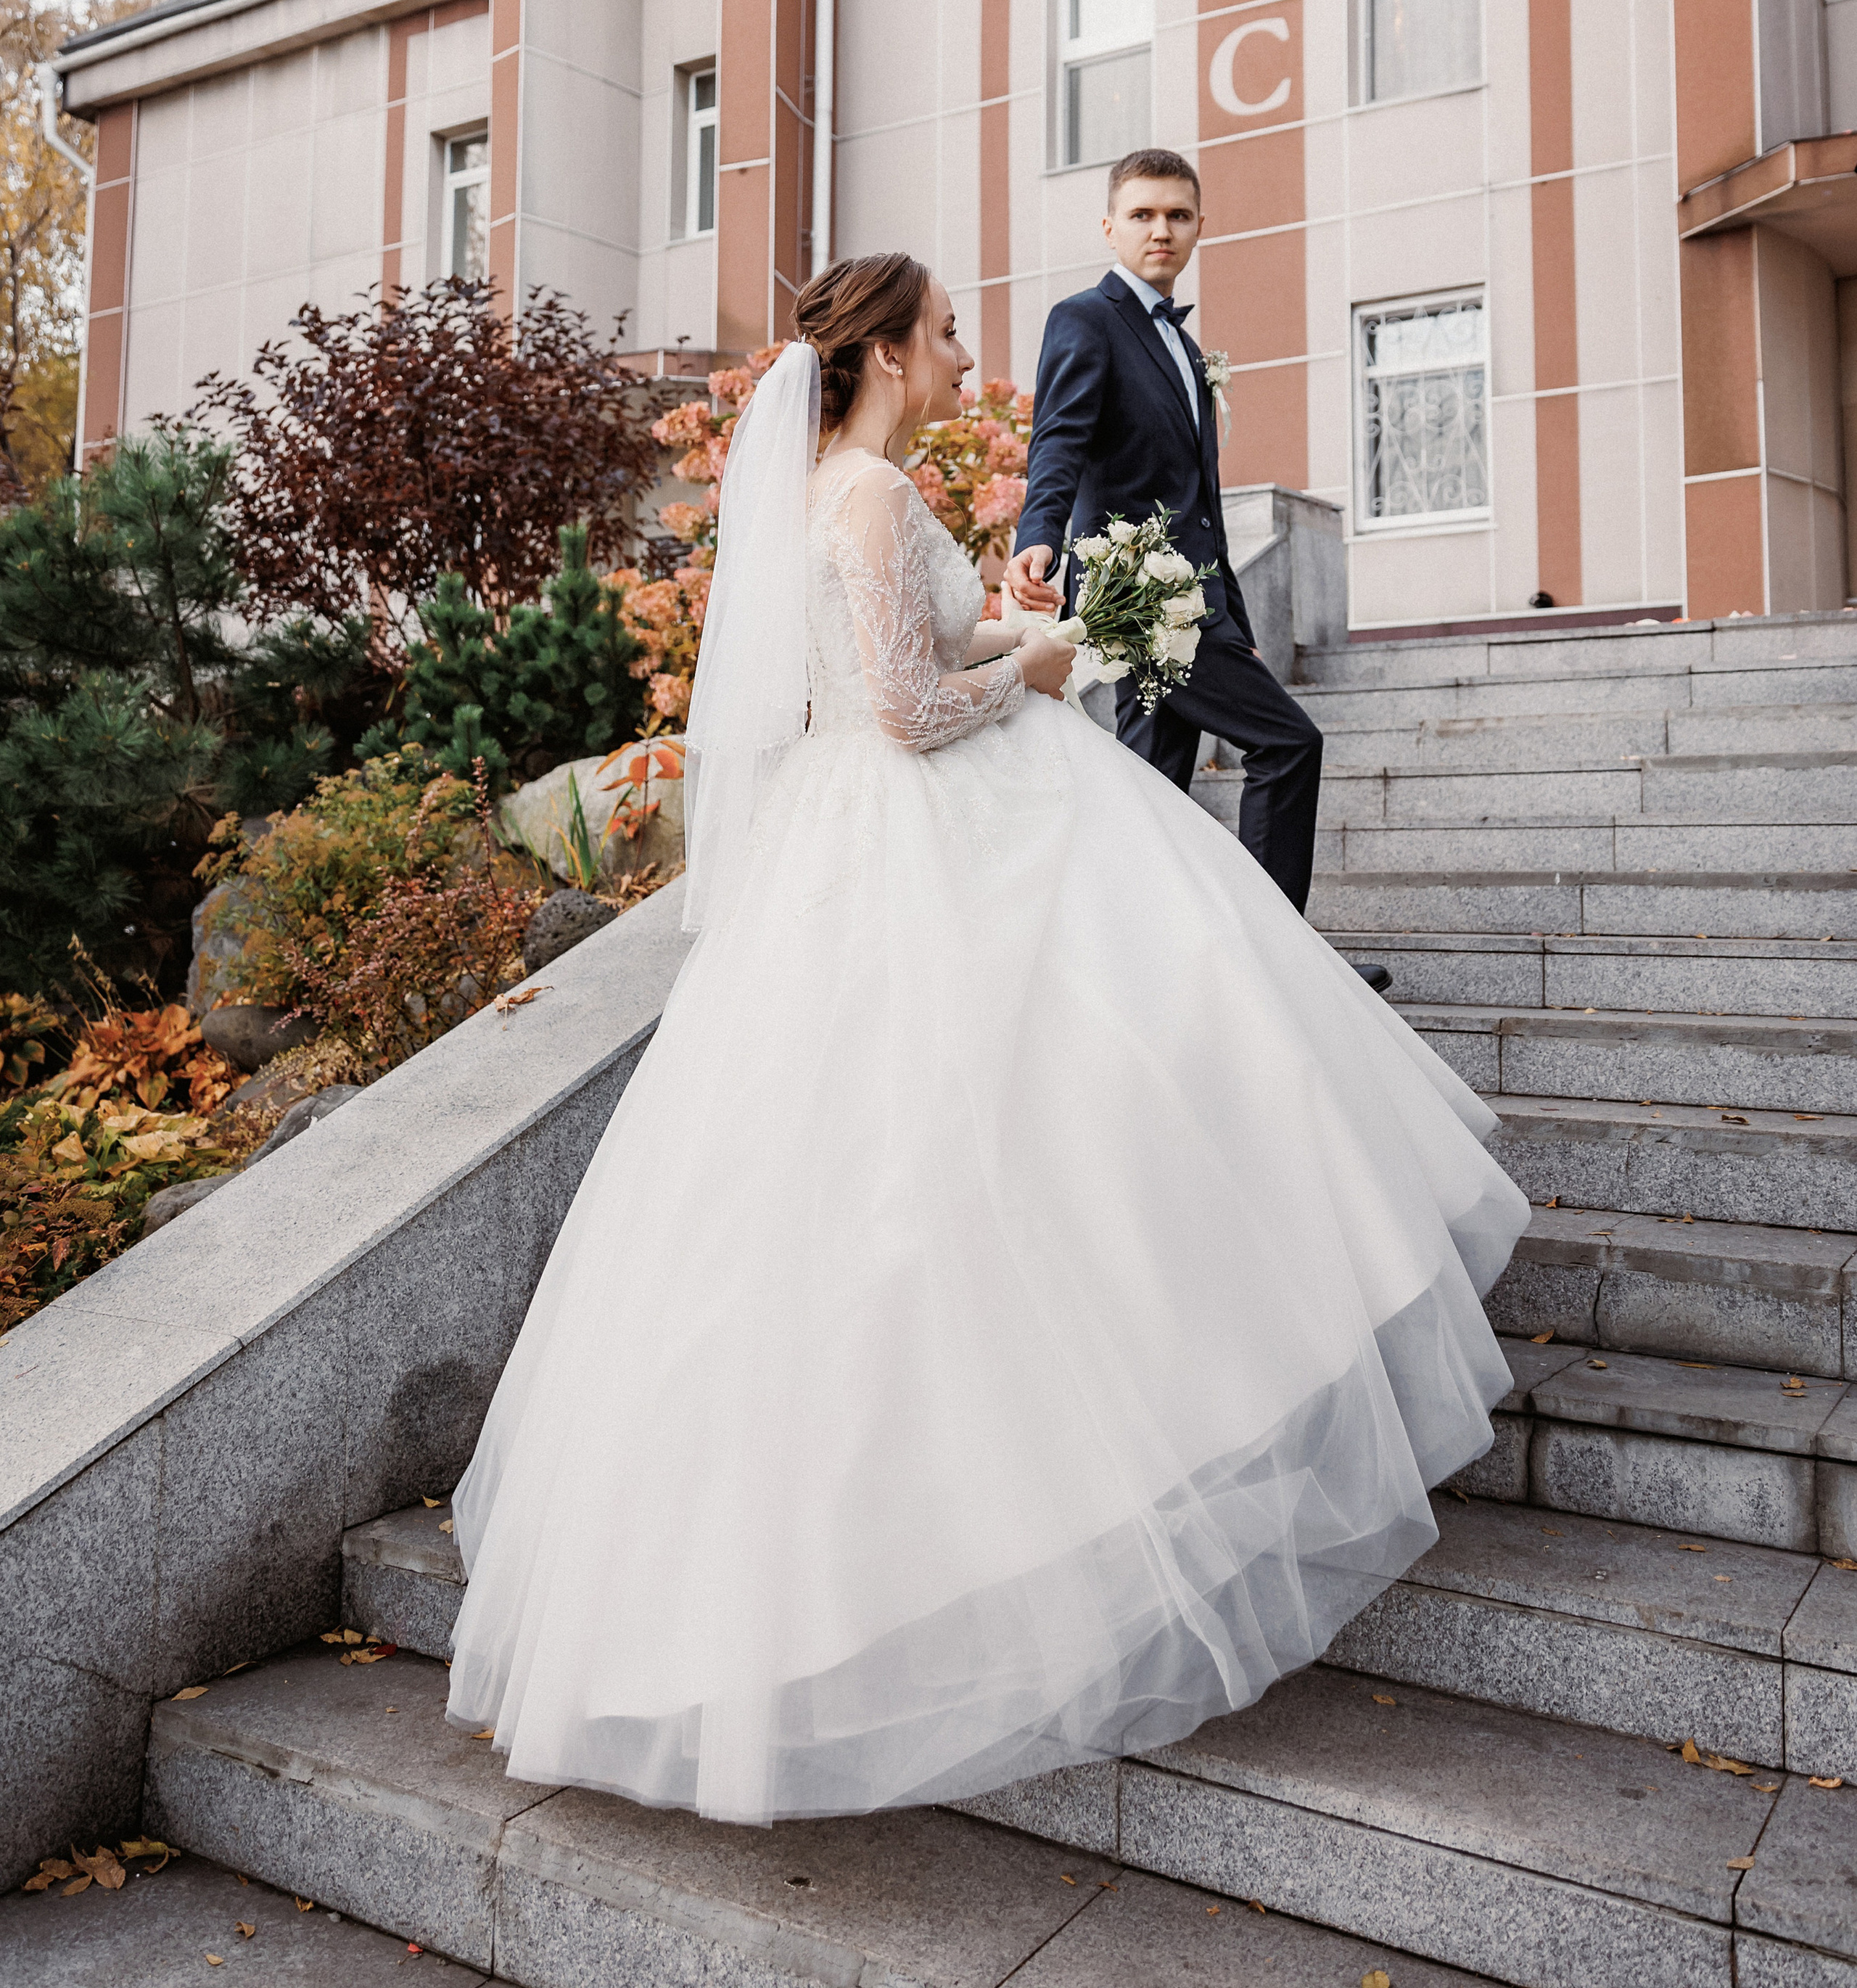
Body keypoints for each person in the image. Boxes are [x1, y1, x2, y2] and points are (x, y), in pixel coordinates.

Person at [446, 251, 1527, 1828]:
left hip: (846, 850)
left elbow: (881, 678)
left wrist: (1016, 633)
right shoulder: (870, 493)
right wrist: (1036, 665)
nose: (962, 356)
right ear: (884, 352)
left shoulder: (826, 484)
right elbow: (898, 709)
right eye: (944, 334)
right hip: (916, 831)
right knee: (1036, 1129)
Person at [1009, 150, 1385, 989]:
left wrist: (1237, 627)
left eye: (1177, 215)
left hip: (1197, 605)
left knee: (1150, 792)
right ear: (1109, 227)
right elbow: (1057, 443)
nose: (1161, 230)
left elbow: (1203, 509)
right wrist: (1039, 536)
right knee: (1288, 745)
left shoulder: (1181, 343)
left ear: (1199, 227)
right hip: (1144, 602)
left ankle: (1122, 970)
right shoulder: (1085, 319)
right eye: (1142, 214)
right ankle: (1278, 970)